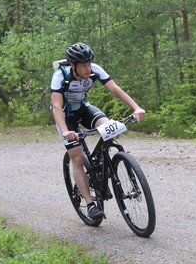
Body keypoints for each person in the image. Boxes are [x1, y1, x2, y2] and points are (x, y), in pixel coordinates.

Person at [51, 42, 146, 220]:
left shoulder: (95, 70)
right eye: (83, 65)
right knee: (78, 157)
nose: (88, 69)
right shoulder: (60, 76)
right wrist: (65, 131)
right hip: (66, 116)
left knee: (110, 129)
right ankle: (90, 203)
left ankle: (100, 166)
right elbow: (57, 106)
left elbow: (115, 90)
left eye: (89, 64)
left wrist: (136, 107)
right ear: (73, 66)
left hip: (84, 109)